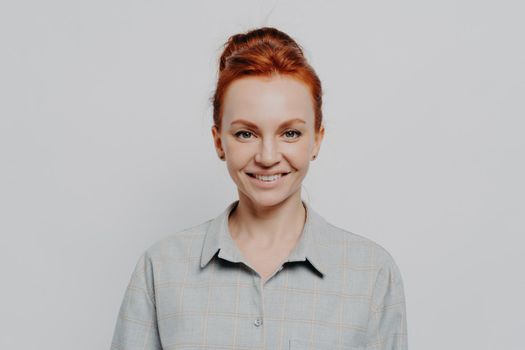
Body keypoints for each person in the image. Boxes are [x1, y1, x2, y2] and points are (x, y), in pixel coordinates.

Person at [110, 27, 408, 350]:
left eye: (290, 133)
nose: (267, 157)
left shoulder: (372, 274)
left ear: (317, 140)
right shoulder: (161, 269)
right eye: (245, 134)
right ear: (218, 141)